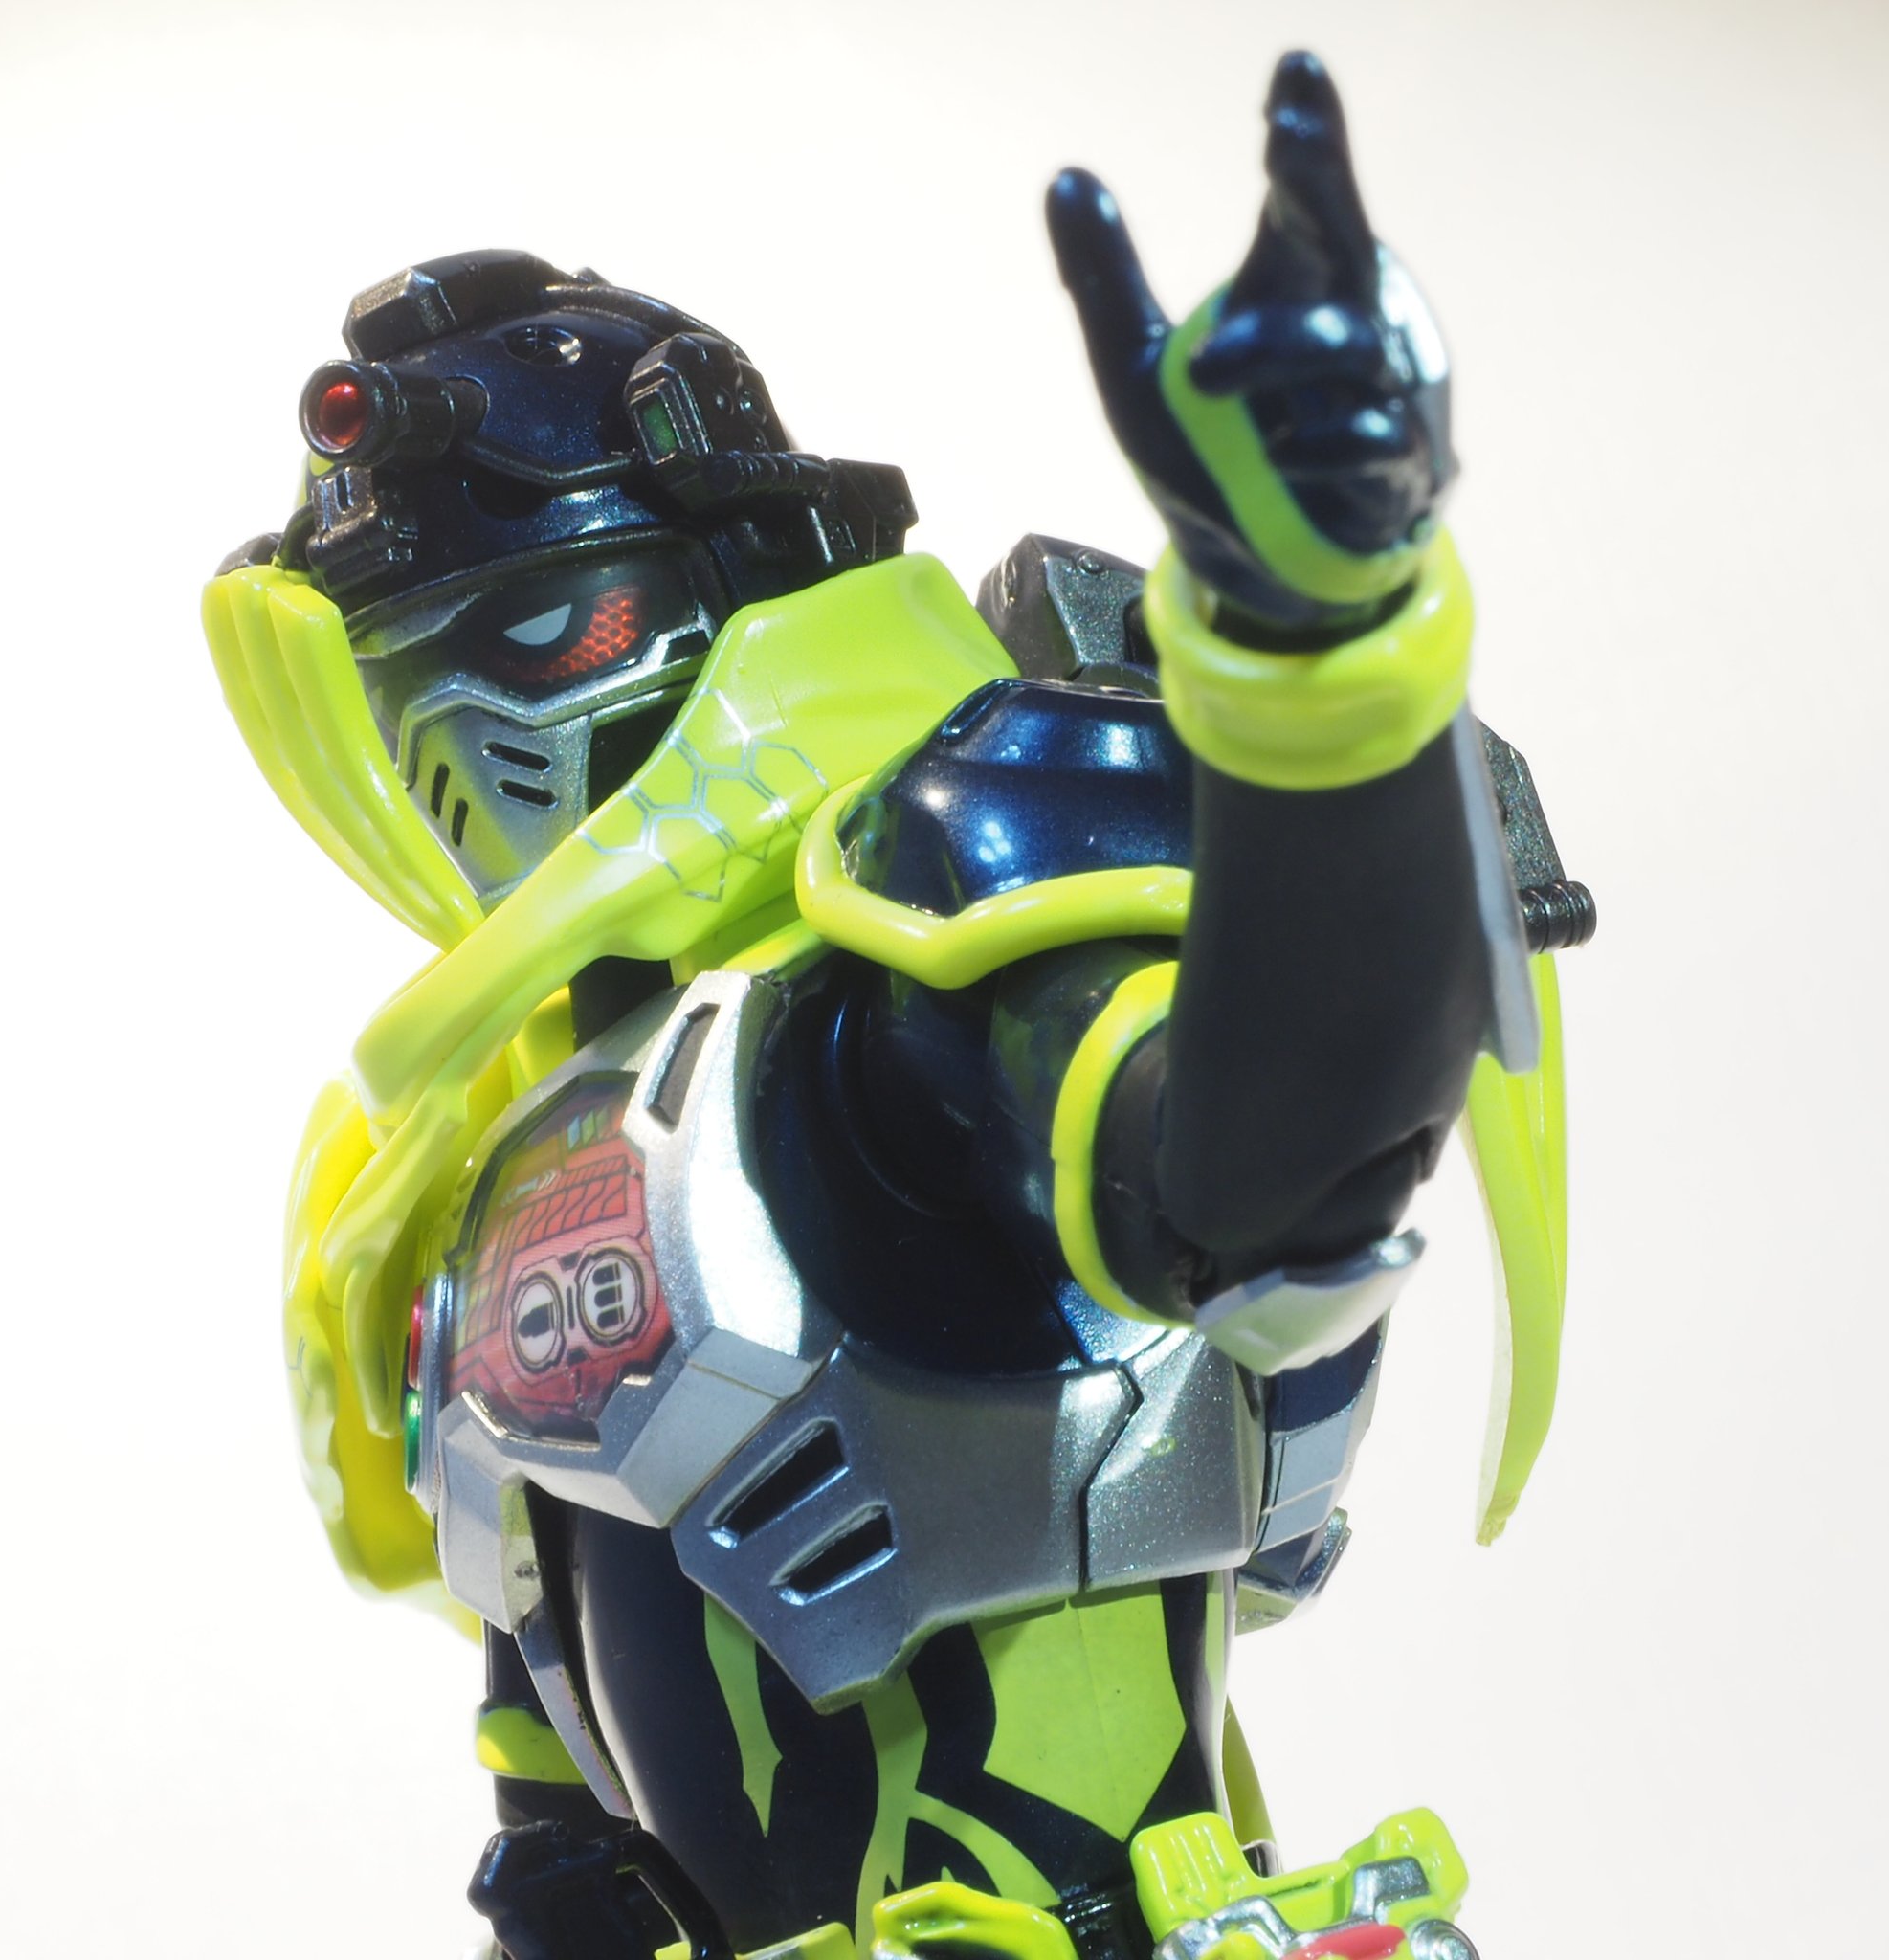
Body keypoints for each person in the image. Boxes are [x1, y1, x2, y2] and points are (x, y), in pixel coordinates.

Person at [204, 51, 1590, 1960]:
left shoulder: (907, 966)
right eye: (401, 671)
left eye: (539, 633)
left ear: (721, 585)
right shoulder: (462, 1149)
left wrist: (1319, 672)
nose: (457, 734)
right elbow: (555, 1740)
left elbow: (1253, 1178)